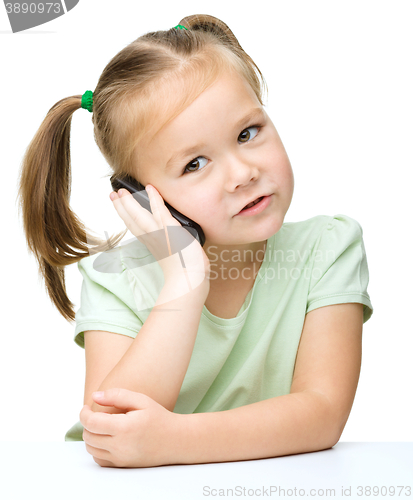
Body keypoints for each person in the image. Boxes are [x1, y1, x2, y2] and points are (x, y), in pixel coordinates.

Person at [17, 14, 374, 468]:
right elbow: (111, 427)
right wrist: (182, 284)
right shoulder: (118, 280)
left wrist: (174, 440)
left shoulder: (329, 248)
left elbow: (322, 414)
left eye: (248, 133)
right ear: (143, 198)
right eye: (195, 163)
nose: (243, 173)